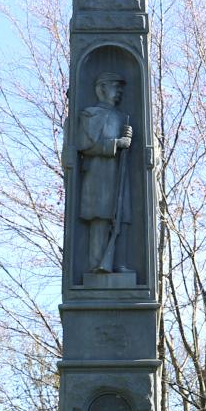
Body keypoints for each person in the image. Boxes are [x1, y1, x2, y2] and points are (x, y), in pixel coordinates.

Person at [78, 72, 132, 273]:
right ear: (101, 88)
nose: (119, 92)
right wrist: (116, 145)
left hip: (119, 175)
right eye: (114, 86)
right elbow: (85, 146)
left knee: (122, 218)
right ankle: (97, 266)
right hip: (98, 176)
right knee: (100, 220)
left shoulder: (121, 117)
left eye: (120, 88)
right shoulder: (90, 114)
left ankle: (120, 264)